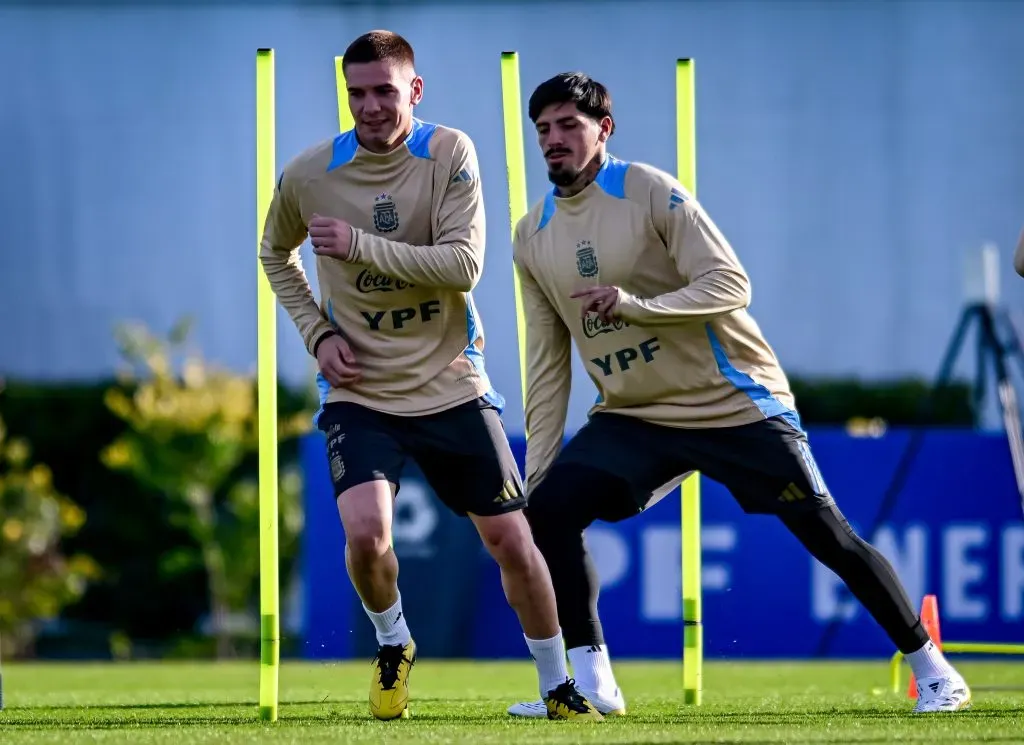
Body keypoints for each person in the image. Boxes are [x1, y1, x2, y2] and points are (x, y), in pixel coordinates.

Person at [506, 71, 972, 717]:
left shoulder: (650, 190)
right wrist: (536, 474)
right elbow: (546, 363)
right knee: (551, 510)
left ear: (604, 129)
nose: (553, 139)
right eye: (543, 129)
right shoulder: (531, 234)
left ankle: (936, 671)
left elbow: (731, 283)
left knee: (827, 535)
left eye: (568, 125)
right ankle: (592, 684)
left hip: (732, 400)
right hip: (636, 413)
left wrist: (636, 306)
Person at [258, 34, 602, 722]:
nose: (370, 106)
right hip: (360, 390)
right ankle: (394, 642)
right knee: (365, 537)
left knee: (513, 541)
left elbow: (463, 265)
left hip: (451, 382)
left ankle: (558, 685)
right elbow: (274, 254)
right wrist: (318, 333)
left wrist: (359, 245)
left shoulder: (449, 153)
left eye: (384, 91)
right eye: (357, 93)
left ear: (414, 90)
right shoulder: (309, 173)